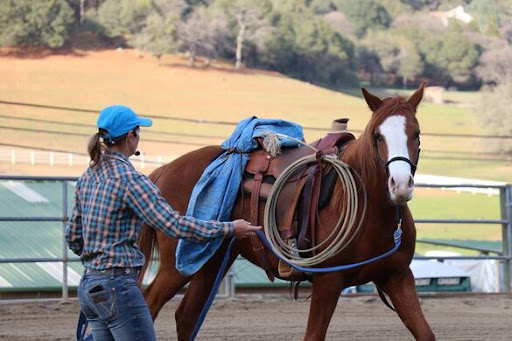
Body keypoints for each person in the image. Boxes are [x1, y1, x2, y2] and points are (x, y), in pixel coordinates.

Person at [65, 104, 260, 341]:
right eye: (138, 132)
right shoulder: (131, 181)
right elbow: (175, 226)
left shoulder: (88, 177)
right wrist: (229, 228)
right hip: (118, 288)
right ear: (131, 136)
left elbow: (73, 237)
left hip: (89, 287)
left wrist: (95, 260)